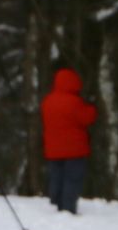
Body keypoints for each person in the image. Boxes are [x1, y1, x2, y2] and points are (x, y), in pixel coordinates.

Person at [40, 66, 95, 214]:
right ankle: (68, 207)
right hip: (75, 150)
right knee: (72, 179)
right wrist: (92, 107)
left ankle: (56, 202)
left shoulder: (47, 101)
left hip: (53, 149)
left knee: (56, 178)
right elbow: (87, 118)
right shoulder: (75, 102)